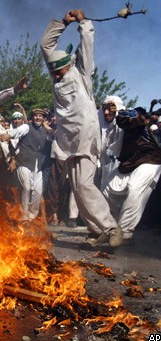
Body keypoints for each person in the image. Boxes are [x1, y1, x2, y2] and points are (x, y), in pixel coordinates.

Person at [41, 9, 122, 247]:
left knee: (85, 184)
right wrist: (64, 22)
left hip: (86, 137)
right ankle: (97, 231)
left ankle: (110, 226)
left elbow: (87, 44)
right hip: (67, 141)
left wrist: (83, 22)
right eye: (53, 71)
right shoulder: (56, 74)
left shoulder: (81, 73)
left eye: (58, 70)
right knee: (76, 188)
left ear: (68, 65)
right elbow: (46, 45)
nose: (55, 74)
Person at [102, 108, 161, 244]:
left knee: (134, 189)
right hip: (129, 163)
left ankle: (125, 232)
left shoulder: (139, 122)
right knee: (106, 186)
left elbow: (134, 120)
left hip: (150, 160)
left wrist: (122, 114)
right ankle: (116, 226)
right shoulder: (112, 128)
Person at [15, 109, 52, 221]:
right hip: (24, 162)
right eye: (36, 116)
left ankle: (32, 216)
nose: (38, 118)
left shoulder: (44, 131)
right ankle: (24, 215)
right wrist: (8, 135)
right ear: (33, 117)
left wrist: (48, 128)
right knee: (26, 187)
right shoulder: (27, 127)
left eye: (40, 116)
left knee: (38, 190)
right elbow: (16, 132)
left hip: (38, 165)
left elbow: (53, 137)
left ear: (43, 118)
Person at [98, 96, 125, 191]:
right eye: (104, 109)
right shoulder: (101, 127)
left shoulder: (123, 126)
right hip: (104, 169)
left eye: (110, 109)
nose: (106, 113)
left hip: (120, 173)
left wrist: (120, 114)